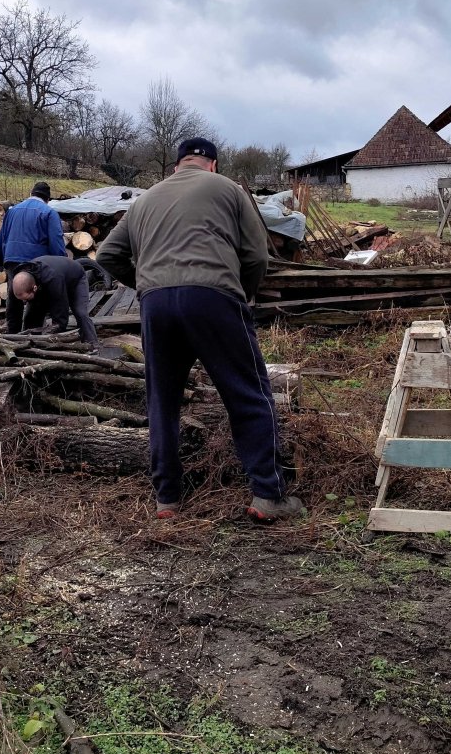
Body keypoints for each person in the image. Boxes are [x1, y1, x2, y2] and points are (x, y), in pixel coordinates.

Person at [98, 137, 304, 523]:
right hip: (213, 297)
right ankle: (268, 494)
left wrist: (148, 285)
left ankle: (167, 500)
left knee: (162, 402)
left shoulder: (143, 200)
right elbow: (256, 255)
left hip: (156, 305)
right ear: (213, 164)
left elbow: (106, 255)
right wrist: (242, 294)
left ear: (176, 165)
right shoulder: (228, 189)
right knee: (249, 394)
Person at [0, 181, 67, 334]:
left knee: (14, 295)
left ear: (31, 193)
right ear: (48, 199)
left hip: (12, 259)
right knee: (35, 297)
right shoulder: (48, 212)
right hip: (36, 262)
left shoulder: (12, 211)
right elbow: (56, 241)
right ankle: (30, 334)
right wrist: (61, 263)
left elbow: (1, 238)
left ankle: (12, 333)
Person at [9, 255, 100, 351]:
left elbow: (60, 311)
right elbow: (13, 313)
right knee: (31, 316)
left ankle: (92, 345)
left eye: (25, 299)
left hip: (76, 279)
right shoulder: (16, 285)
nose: (24, 302)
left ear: (34, 288)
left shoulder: (53, 278)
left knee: (80, 312)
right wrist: (13, 337)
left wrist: (56, 338)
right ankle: (32, 346)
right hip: (47, 281)